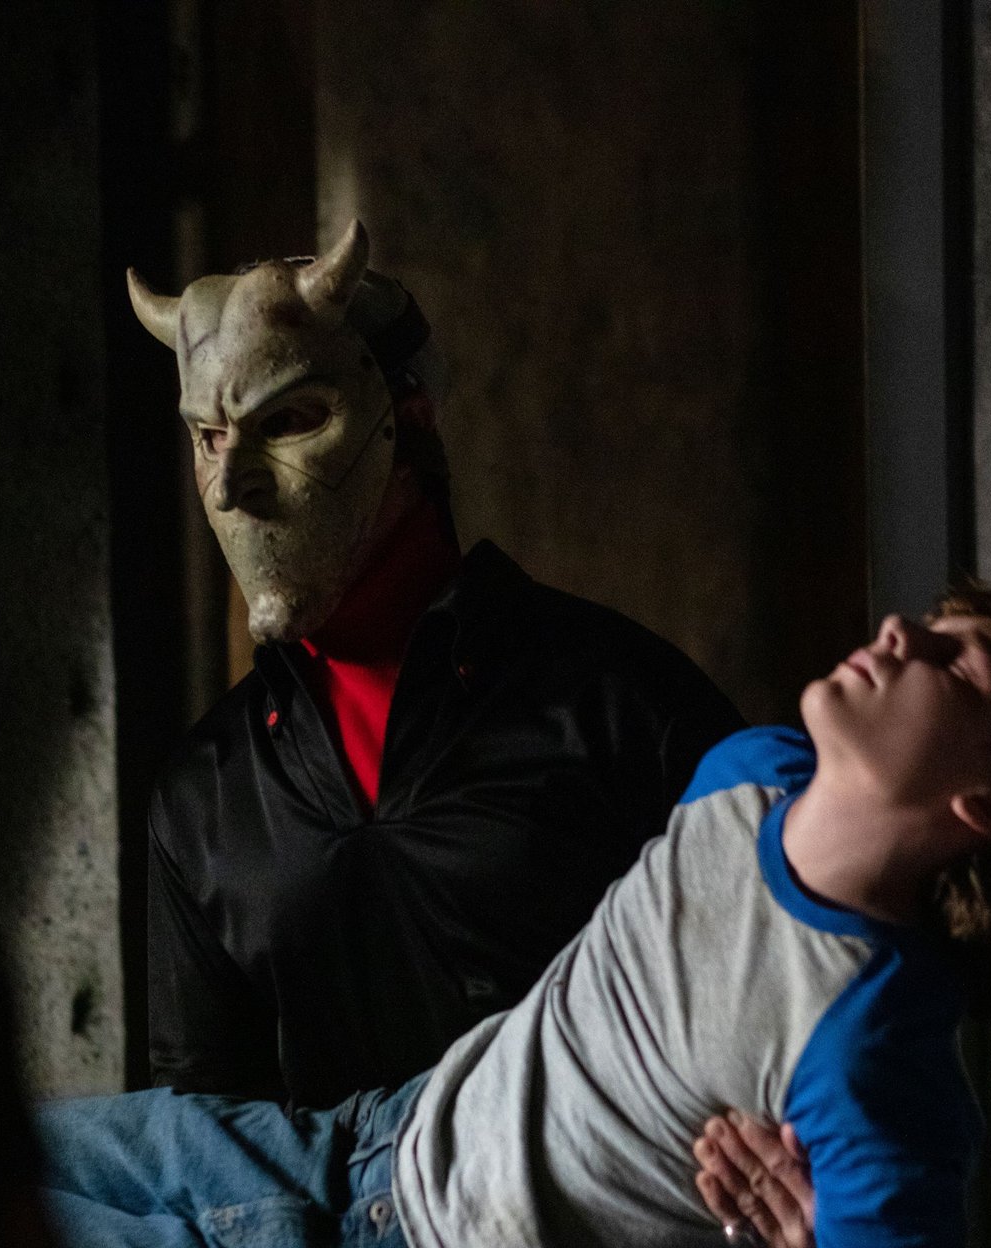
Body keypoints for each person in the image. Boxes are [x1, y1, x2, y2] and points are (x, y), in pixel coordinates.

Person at [37, 584, 991, 1248]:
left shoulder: (869, 1057)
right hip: (343, 1149)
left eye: (955, 664)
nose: (900, 633)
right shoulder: (747, 769)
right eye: (932, 618)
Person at [125, 222, 742, 1110]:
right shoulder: (205, 796)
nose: (231, 483)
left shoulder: (620, 702)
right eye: (209, 436)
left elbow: (770, 996)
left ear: (407, 419)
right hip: (334, 1207)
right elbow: (202, 1134)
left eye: (288, 420)